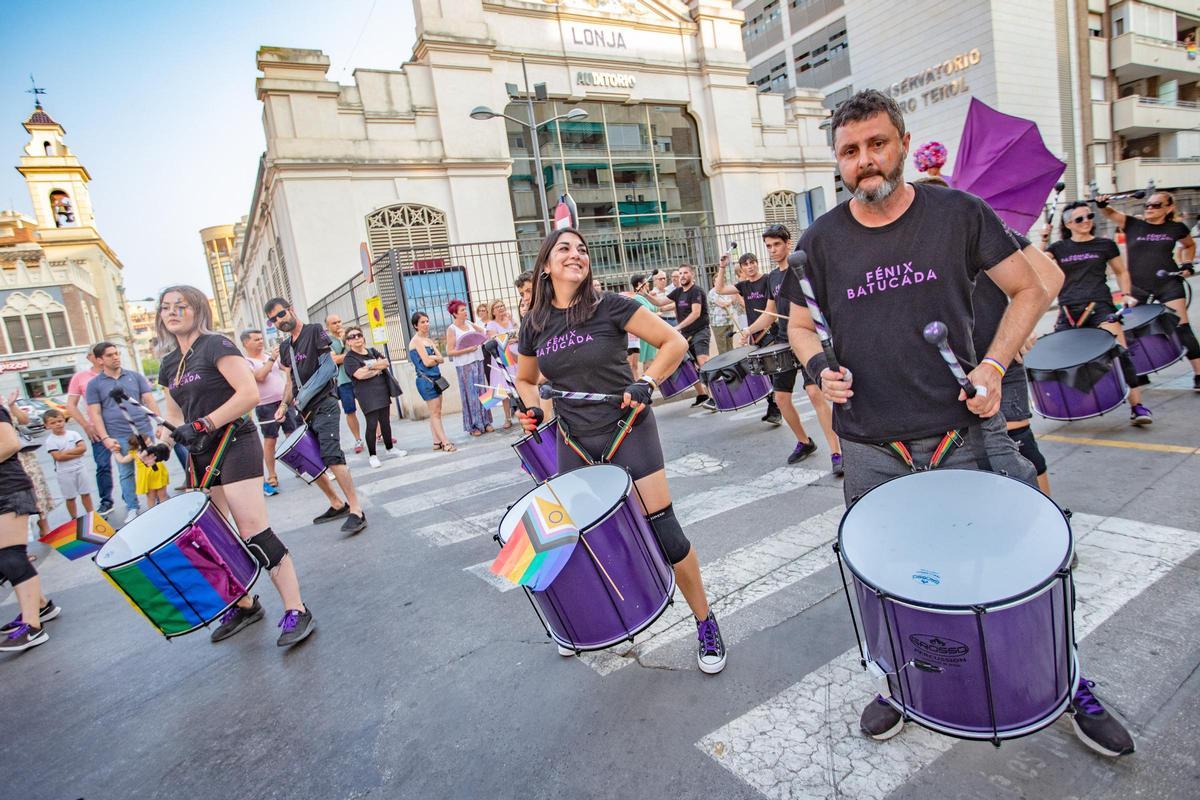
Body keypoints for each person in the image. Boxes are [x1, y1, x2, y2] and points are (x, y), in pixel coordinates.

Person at [785, 88, 1132, 756]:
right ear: (837, 159)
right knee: (889, 578)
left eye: (877, 143)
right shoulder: (820, 242)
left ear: (903, 144)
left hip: (965, 432)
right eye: (851, 150)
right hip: (870, 446)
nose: (866, 160)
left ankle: (1066, 681)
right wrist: (817, 368)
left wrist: (997, 367)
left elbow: (1031, 287)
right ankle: (899, 683)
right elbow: (801, 328)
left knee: (1022, 572)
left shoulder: (958, 213)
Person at [514, 227, 727, 674]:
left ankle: (705, 621)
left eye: (582, 249)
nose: (576, 254)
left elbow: (676, 342)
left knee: (665, 532)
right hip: (572, 439)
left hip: (628, 427)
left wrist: (647, 381)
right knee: (572, 541)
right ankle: (579, 626)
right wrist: (531, 410)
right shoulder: (535, 325)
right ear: (547, 266)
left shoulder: (610, 305)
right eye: (565, 249)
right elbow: (526, 379)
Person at [160, 285, 315, 646]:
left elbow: (247, 394)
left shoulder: (217, 345)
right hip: (200, 452)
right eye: (166, 307)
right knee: (210, 536)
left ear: (197, 310)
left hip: (234, 442)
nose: (172, 312)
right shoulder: (169, 363)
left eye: (180, 306)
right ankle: (244, 603)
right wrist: (161, 444)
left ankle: (296, 609)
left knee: (253, 531)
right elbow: (173, 413)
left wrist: (203, 424)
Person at [738, 227, 842, 472]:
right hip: (784, 341)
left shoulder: (801, 271)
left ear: (788, 243)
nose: (773, 250)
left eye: (777, 244)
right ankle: (804, 442)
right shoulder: (772, 278)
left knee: (815, 393)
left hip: (807, 339)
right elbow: (768, 313)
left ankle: (836, 453)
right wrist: (749, 330)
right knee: (781, 398)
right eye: (769, 246)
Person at [1045, 202, 1153, 425]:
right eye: (1079, 219)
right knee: (1062, 360)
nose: (1086, 221)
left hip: (1100, 306)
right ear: (1068, 224)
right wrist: (1044, 240)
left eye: (1089, 216)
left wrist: (1125, 294)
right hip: (1068, 309)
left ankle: (1138, 407)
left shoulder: (1104, 245)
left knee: (1119, 352)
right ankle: (1070, 403)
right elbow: (1039, 267)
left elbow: (1121, 271)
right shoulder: (1058, 248)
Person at [267, 298, 367, 534]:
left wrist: (302, 397)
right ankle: (336, 503)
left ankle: (356, 510)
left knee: (332, 456)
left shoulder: (313, 332)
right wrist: (283, 405)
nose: (279, 320)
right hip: (305, 411)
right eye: (274, 319)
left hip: (325, 404)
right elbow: (290, 382)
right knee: (308, 459)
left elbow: (328, 368)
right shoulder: (285, 348)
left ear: (291, 310)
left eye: (281, 314)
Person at [1096, 190, 1199, 390]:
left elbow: (1189, 245)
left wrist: (1186, 264)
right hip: (1137, 288)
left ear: (1169, 208)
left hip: (1168, 284)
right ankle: (1140, 372)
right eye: (1148, 205)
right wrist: (1102, 205)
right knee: (1131, 332)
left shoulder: (1176, 227)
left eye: (1156, 205)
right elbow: (1110, 214)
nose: (1150, 208)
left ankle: (1198, 373)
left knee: (1181, 327)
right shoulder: (1133, 224)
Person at [0, 402, 58, 653]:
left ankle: (32, 627)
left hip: (7, 490)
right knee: (7, 558)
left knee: (10, 556)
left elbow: (10, 444)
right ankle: (41, 605)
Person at [84, 342, 162, 524]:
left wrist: (159, 423)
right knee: (126, 473)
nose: (116, 357)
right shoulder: (94, 384)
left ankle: (158, 502)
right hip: (118, 435)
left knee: (152, 468)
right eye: (110, 355)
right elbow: (95, 413)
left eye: (117, 353)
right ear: (99, 360)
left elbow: (149, 400)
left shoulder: (134, 376)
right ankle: (133, 508)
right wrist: (105, 438)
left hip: (144, 432)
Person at [715, 252, 783, 425]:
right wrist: (722, 267)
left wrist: (750, 330)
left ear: (757, 263)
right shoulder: (744, 286)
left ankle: (776, 408)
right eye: (746, 264)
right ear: (742, 268)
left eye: (752, 262)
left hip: (770, 330)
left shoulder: (768, 280)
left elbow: (771, 311)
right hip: (754, 333)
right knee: (763, 371)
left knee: (771, 370)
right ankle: (773, 406)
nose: (750, 266)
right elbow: (719, 289)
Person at [647, 265, 714, 408]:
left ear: (692, 275)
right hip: (687, 335)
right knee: (693, 365)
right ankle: (704, 395)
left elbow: (696, 313)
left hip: (700, 331)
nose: (683, 276)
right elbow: (659, 302)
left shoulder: (697, 291)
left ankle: (714, 397)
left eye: (686, 273)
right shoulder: (677, 292)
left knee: (703, 361)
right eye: (681, 273)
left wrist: (678, 327)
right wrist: (645, 294)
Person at [241, 329, 299, 493]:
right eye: (256, 339)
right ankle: (272, 474)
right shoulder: (245, 362)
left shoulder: (268, 356)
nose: (260, 341)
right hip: (265, 406)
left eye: (261, 338)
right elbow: (259, 377)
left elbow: (286, 368)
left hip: (284, 402)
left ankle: (300, 466)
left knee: (292, 435)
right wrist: (272, 358)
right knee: (270, 439)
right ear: (246, 343)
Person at [342, 326, 401, 468]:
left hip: (382, 389)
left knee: (385, 421)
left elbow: (385, 362)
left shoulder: (371, 351)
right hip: (366, 394)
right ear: (348, 342)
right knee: (372, 423)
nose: (356, 338)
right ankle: (373, 455)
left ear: (363, 337)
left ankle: (390, 448)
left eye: (358, 335)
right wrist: (376, 367)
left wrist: (369, 368)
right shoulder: (349, 358)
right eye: (352, 337)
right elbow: (359, 375)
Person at [65, 350, 113, 516]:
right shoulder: (80, 377)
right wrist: (86, 425)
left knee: (134, 462)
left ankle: (148, 496)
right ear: (91, 358)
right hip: (97, 429)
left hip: (120, 425)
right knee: (103, 466)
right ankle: (106, 501)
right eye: (97, 354)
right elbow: (70, 405)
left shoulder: (115, 373)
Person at [409, 312, 457, 453]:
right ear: (415, 325)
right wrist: (434, 358)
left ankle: (437, 442)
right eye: (422, 322)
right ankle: (445, 442)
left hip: (436, 379)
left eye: (427, 321)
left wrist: (434, 357)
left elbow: (442, 358)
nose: (426, 324)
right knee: (435, 412)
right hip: (426, 380)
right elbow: (427, 362)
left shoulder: (428, 341)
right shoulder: (416, 341)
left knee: (436, 412)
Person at [6, 395, 52, 539]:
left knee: (36, 489)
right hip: (6, 457)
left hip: (23, 455)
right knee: (16, 497)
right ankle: (22, 537)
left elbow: (24, 420)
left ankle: (44, 525)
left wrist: (12, 405)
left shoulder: (4, 404)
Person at [446, 299, 491, 436]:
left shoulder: (470, 323)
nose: (465, 312)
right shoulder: (452, 329)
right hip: (464, 365)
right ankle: (474, 425)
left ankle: (486, 421)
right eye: (462, 310)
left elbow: (485, 333)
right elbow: (450, 351)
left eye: (465, 309)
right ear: (455, 313)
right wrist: (467, 350)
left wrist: (479, 332)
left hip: (478, 360)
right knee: (471, 394)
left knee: (483, 391)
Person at [43, 408, 94, 519]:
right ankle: (74, 519)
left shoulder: (73, 434)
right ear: (47, 425)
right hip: (64, 472)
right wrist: (76, 454)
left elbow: (83, 448)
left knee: (85, 493)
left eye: (60, 421)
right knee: (70, 497)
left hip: (80, 468)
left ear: (64, 420)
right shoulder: (50, 441)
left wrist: (65, 453)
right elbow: (58, 457)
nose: (58, 424)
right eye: (53, 423)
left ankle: (92, 516)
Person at [325, 314, 365, 454]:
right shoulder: (327, 342)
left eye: (339, 321)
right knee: (350, 411)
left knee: (369, 406)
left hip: (359, 377)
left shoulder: (350, 336)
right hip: (343, 381)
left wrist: (346, 343)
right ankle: (358, 439)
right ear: (328, 326)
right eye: (334, 323)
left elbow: (360, 352)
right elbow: (334, 360)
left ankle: (379, 434)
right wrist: (349, 353)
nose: (338, 324)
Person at [113, 435, 169, 510]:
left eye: (150, 443)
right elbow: (122, 460)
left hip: (158, 475)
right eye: (148, 444)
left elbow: (122, 460)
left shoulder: (148, 450)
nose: (151, 446)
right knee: (152, 498)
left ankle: (164, 511)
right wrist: (116, 452)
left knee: (161, 496)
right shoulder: (135, 453)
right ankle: (153, 513)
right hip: (149, 479)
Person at [486, 300, 518, 429]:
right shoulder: (491, 324)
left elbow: (520, 333)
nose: (500, 308)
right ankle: (507, 418)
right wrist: (512, 338)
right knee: (503, 389)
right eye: (497, 307)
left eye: (502, 306)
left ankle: (525, 413)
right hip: (503, 357)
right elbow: (495, 340)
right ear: (492, 311)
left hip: (516, 355)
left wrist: (509, 339)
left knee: (519, 385)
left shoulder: (510, 319)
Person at [629, 275, 660, 370]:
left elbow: (657, 308)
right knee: (644, 363)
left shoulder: (646, 297)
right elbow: (647, 316)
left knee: (650, 361)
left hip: (651, 332)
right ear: (639, 284)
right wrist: (657, 314)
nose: (648, 284)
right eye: (646, 282)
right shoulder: (637, 298)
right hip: (644, 334)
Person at [707, 278, 739, 354]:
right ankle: (725, 365)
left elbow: (734, 302)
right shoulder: (712, 292)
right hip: (718, 324)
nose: (720, 282)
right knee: (722, 348)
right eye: (717, 281)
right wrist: (730, 301)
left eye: (722, 280)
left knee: (730, 346)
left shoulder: (727, 291)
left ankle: (732, 364)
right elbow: (723, 304)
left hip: (729, 321)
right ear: (714, 282)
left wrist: (735, 293)